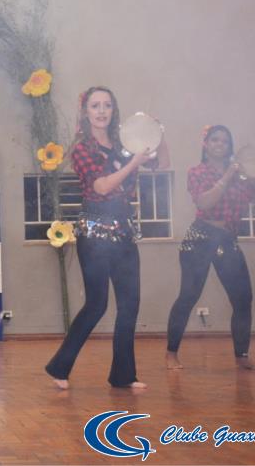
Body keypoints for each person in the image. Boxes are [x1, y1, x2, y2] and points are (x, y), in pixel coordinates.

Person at [45, 86, 169, 389]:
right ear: (85, 112)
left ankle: (123, 375)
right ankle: (60, 366)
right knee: (97, 303)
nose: (102, 111)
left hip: (123, 228)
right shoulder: (82, 148)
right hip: (95, 231)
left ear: (114, 110)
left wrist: (156, 133)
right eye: (95, 106)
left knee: (130, 303)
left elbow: (161, 163)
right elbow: (101, 186)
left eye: (107, 105)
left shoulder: (125, 142)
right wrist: (133, 163)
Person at [166, 125, 255, 371]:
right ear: (205, 145)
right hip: (200, 237)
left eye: (224, 141)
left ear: (230, 146)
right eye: (214, 140)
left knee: (243, 298)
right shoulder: (197, 172)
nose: (219, 144)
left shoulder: (243, 176)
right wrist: (228, 174)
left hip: (227, 240)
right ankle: (171, 353)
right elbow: (204, 202)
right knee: (188, 296)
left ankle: (242, 355)